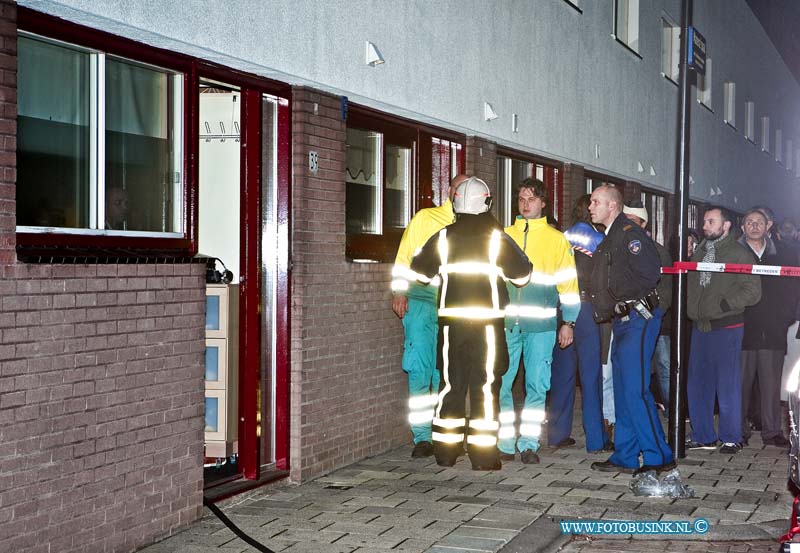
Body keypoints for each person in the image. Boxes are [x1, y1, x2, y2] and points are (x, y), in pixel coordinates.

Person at [411, 177, 532, 470]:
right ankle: (482, 457)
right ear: (486, 203)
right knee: (486, 386)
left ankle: (445, 453)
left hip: (451, 325)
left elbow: (420, 272)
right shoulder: (497, 237)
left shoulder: (443, 236)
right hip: (487, 326)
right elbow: (522, 275)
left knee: (451, 385)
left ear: (456, 203)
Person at [587, 185, 674, 475]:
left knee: (636, 391)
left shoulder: (628, 234)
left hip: (637, 319)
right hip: (622, 321)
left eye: (596, 202)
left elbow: (650, 274)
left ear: (612, 206)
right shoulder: (611, 235)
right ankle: (625, 454)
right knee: (625, 390)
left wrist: (623, 301)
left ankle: (658, 457)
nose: (590, 207)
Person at [496, 178, 580, 464]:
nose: (525, 203)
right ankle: (505, 443)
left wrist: (568, 322)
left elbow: (569, 285)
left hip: (542, 327)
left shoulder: (557, 240)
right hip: (506, 323)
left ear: (543, 202)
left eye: (531, 198)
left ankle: (529, 442)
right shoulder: (503, 235)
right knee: (501, 383)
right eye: (521, 198)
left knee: (536, 385)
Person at [391, 174, 468, 458]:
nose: (462, 194)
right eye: (459, 188)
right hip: (422, 302)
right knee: (420, 370)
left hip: (454, 308)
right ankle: (422, 437)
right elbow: (403, 257)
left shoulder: (471, 226)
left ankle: (443, 432)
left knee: (447, 373)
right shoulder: (426, 218)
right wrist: (400, 292)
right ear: (449, 191)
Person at [685, 206, 761, 454]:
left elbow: (753, 292)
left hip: (726, 326)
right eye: (705, 221)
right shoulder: (700, 251)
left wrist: (725, 305)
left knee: (727, 384)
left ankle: (731, 436)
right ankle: (703, 435)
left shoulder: (740, 254)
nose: (704, 225)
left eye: (711, 221)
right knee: (698, 383)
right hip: (700, 326)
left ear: (726, 226)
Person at [548, 194, 610, 453]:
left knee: (562, 373)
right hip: (586, 309)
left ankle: (557, 434)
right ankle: (596, 438)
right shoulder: (599, 240)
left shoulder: (561, 237)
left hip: (561, 308)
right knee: (590, 375)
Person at [738, 208, 798, 447]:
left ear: (768, 226)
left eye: (759, 222)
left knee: (771, 383)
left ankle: (772, 431)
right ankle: (738, 430)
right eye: (749, 222)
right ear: (742, 227)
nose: (754, 226)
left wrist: (784, 317)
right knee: (740, 383)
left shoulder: (784, 253)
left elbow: (793, 287)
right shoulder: (735, 253)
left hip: (773, 329)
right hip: (742, 328)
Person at [622, 202, 673, 413]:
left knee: (664, 366)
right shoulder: (620, 247)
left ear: (644, 224)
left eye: (633, 221)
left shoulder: (658, 252)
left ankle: (673, 411)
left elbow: (667, 290)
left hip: (655, 318)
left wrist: (655, 313)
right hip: (630, 320)